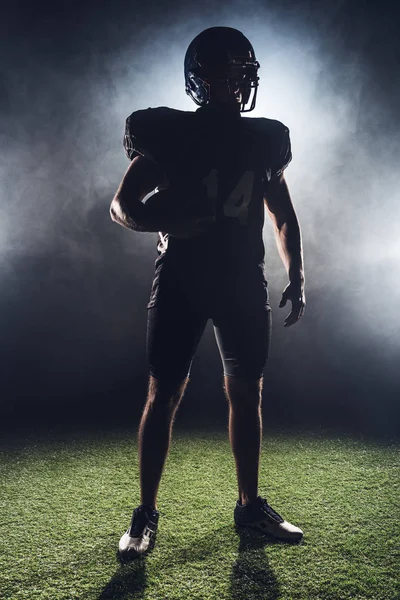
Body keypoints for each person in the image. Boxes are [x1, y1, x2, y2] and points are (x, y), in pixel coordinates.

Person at [110, 26, 306, 559]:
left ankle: (249, 506)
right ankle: (146, 513)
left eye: (240, 74)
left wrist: (298, 272)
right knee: (164, 394)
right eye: (222, 74)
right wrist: (164, 218)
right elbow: (122, 204)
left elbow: (281, 214)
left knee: (247, 393)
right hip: (181, 279)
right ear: (199, 80)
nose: (233, 84)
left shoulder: (264, 139)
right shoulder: (172, 135)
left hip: (243, 279)